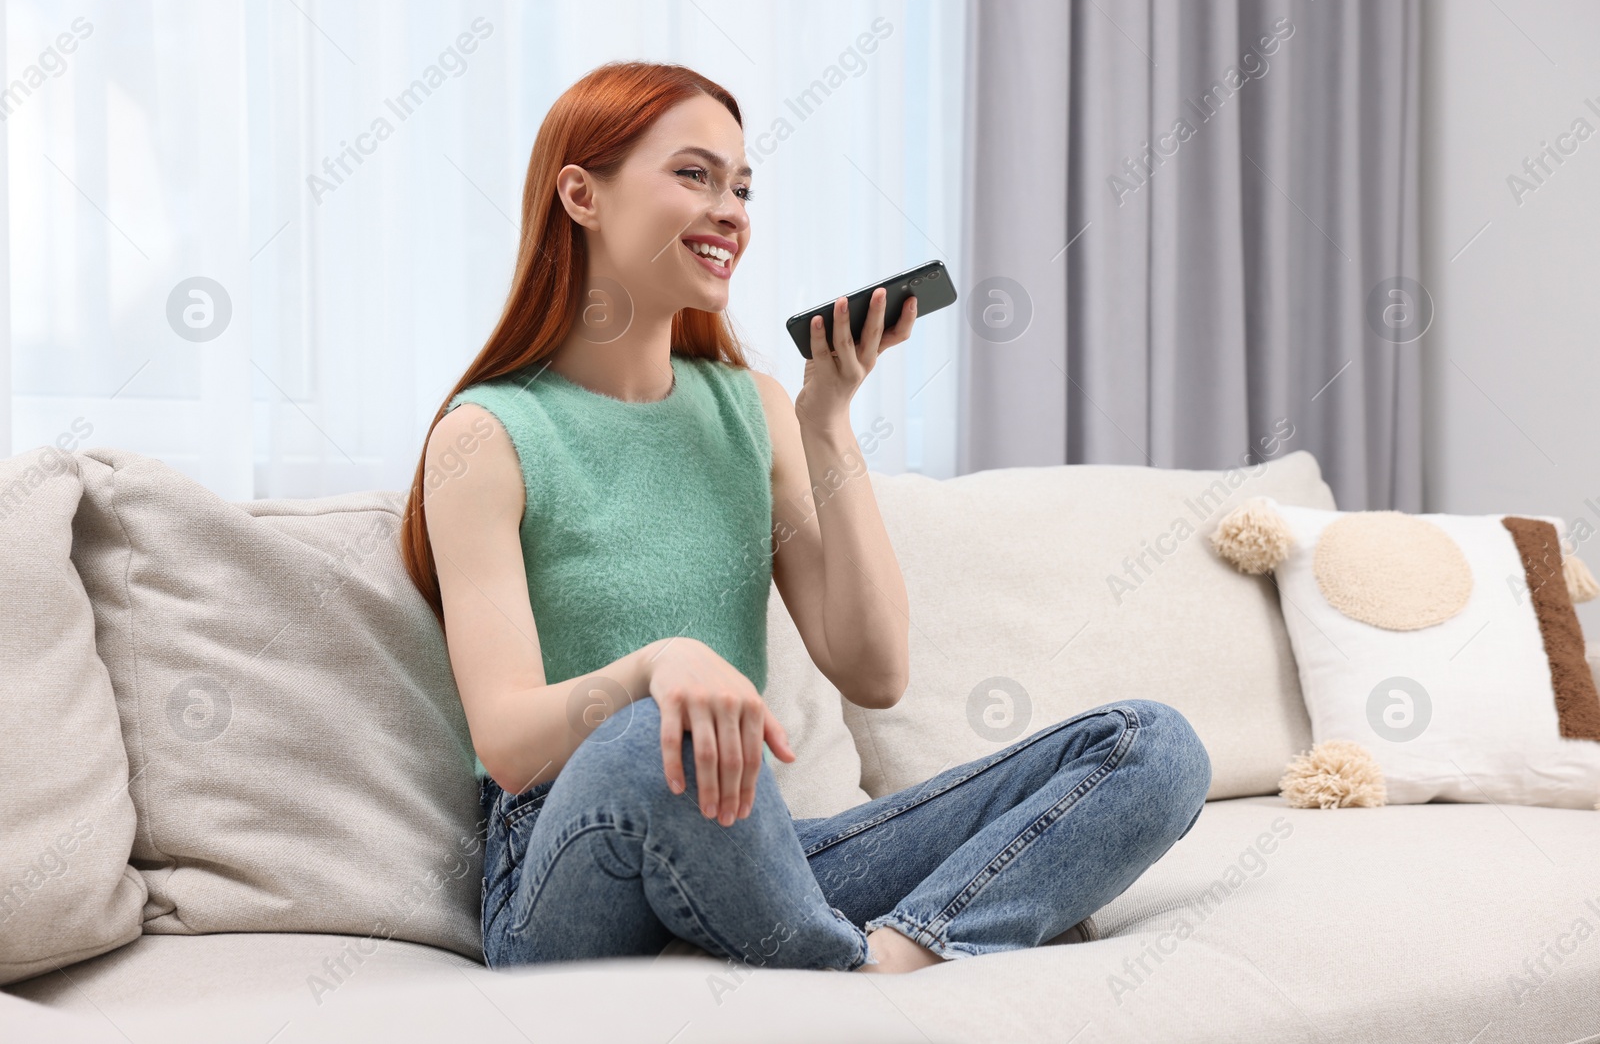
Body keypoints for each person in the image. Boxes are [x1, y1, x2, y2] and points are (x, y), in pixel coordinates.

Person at [400, 61, 1211, 974]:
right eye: (694, 174)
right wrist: (657, 666)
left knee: (1150, 747)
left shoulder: (757, 409)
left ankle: (901, 954)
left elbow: (875, 669)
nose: (732, 210)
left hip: (754, 852)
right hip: (563, 864)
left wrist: (827, 423)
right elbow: (508, 744)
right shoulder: (489, 435)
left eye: (742, 186)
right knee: (648, 733)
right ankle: (841, 961)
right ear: (582, 195)